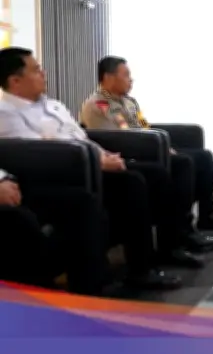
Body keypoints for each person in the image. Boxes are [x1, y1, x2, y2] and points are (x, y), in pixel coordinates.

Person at [0, 47, 182, 290]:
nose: (43, 73)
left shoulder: (54, 105)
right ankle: (124, 273)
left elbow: (82, 137)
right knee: (129, 184)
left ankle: (165, 248)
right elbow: (39, 154)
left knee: (154, 175)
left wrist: (103, 154)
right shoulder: (7, 113)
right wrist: (97, 161)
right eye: (36, 70)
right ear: (15, 81)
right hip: (62, 174)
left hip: (86, 164)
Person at [80, 56, 213, 233]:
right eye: (126, 75)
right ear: (108, 78)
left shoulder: (128, 101)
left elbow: (143, 126)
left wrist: (163, 145)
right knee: (184, 163)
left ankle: (207, 215)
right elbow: (120, 137)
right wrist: (158, 147)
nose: (131, 80)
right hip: (129, 154)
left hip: (147, 147)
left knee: (204, 157)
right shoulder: (100, 104)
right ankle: (181, 227)